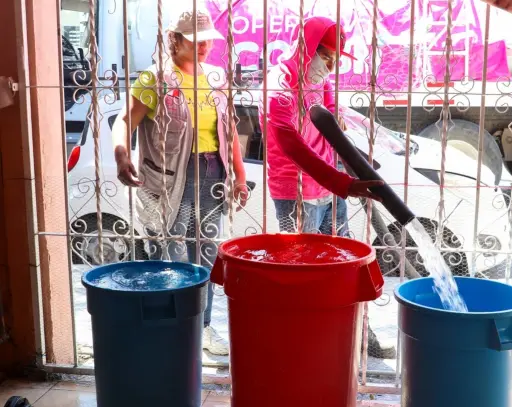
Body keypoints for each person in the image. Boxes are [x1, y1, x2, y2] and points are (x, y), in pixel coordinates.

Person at [112, 9, 247, 356]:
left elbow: (229, 132)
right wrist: (121, 153)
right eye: (196, 41)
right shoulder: (155, 79)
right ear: (176, 39)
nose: (204, 47)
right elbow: (124, 120)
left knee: (206, 254)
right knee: (172, 256)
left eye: (208, 41)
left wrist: (239, 175)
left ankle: (202, 326)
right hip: (172, 177)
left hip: (212, 175)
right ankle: (174, 329)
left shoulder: (215, 78)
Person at [260, 16, 395, 359]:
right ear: (308, 49)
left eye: (336, 62)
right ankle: (300, 340)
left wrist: (357, 160)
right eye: (328, 59)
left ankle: (357, 335)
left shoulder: (320, 82)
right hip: (296, 193)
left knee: (345, 263)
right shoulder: (280, 85)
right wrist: (343, 182)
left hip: (332, 190)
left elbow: (333, 125)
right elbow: (291, 145)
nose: (331, 68)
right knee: (300, 271)